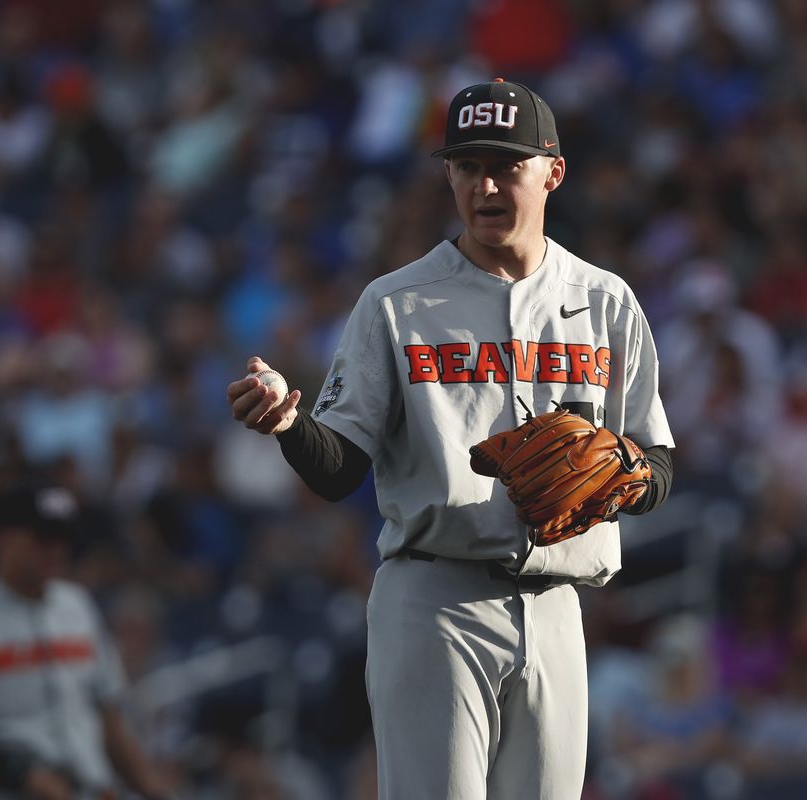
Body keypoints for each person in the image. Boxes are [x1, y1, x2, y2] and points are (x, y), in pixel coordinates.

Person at [227, 78, 675, 798]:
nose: (486, 184)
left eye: (506, 164)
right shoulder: (397, 302)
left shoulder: (605, 301)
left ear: (552, 172)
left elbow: (658, 464)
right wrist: (288, 425)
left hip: (560, 606)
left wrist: (620, 474)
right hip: (435, 599)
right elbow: (340, 470)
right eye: (468, 166)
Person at [0, 480, 173, 800]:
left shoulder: (78, 606)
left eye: (62, 539)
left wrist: (151, 787)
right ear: (5, 536)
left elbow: (109, 715)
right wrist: (22, 775)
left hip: (88, 788)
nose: (56, 551)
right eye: (42, 539)